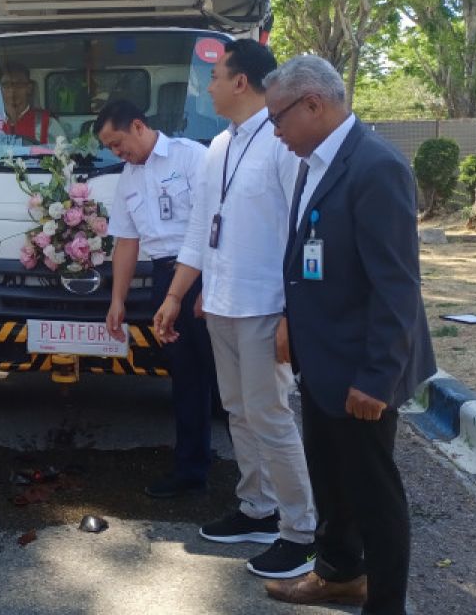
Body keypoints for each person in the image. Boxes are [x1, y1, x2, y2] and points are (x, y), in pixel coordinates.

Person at [260, 56, 435, 613]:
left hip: (362, 369)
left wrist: (378, 379)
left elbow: (396, 286)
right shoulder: (318, 162)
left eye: (278, 119)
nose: (276, 133)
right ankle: (338, 573)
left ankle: (385, 605)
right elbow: (311, 261)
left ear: (313, 104)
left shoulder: (375, 166)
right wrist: (292, 323)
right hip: (323, 358)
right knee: (331, 481)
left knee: (373, 495)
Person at [154, 39, 317, 580]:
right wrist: (178, 295)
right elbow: (203, 228)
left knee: (270, 416)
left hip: (266, 305)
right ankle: (258, 509)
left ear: (241, 81)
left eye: (215, 77)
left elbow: (302, 231)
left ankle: (301, 531)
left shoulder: (281, 142)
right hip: (220, 304)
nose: (209, 86)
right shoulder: (219, 146)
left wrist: (295, 315)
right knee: (238, 411)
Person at [93, 100, 216, 499]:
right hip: (166, 277)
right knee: (186, 375)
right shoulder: (128, 179)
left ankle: (258, 479)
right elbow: (127, 243)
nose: (116, 152)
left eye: (117, 142)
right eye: (109, 148)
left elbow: (211, 225)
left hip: (205, 273)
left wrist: (200, 288)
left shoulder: (192, 158)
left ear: (138, 126)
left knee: (226, 375)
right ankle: (191, 468)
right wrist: (118, 300)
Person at [0, 62, 65, 143]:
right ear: (0, 89)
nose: (12, 91)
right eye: (6, 85)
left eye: (19, 84)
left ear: (29, 88)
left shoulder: (47, 123)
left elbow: (64, 155)